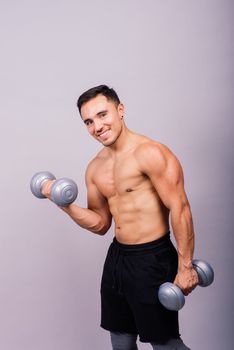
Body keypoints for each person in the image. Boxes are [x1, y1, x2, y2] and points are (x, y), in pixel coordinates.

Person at [42, 85, 199, 349]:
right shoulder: (95, 168)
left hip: (152, 259)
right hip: (117, 259)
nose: (97, 126)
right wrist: (64, 204)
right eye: (89, 122)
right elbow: (101, 223)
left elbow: (180, 207)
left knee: (164, 343)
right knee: (120, 339)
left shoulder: (151, 153)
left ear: (121, 110)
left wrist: (185, 266)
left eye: (103, 115)